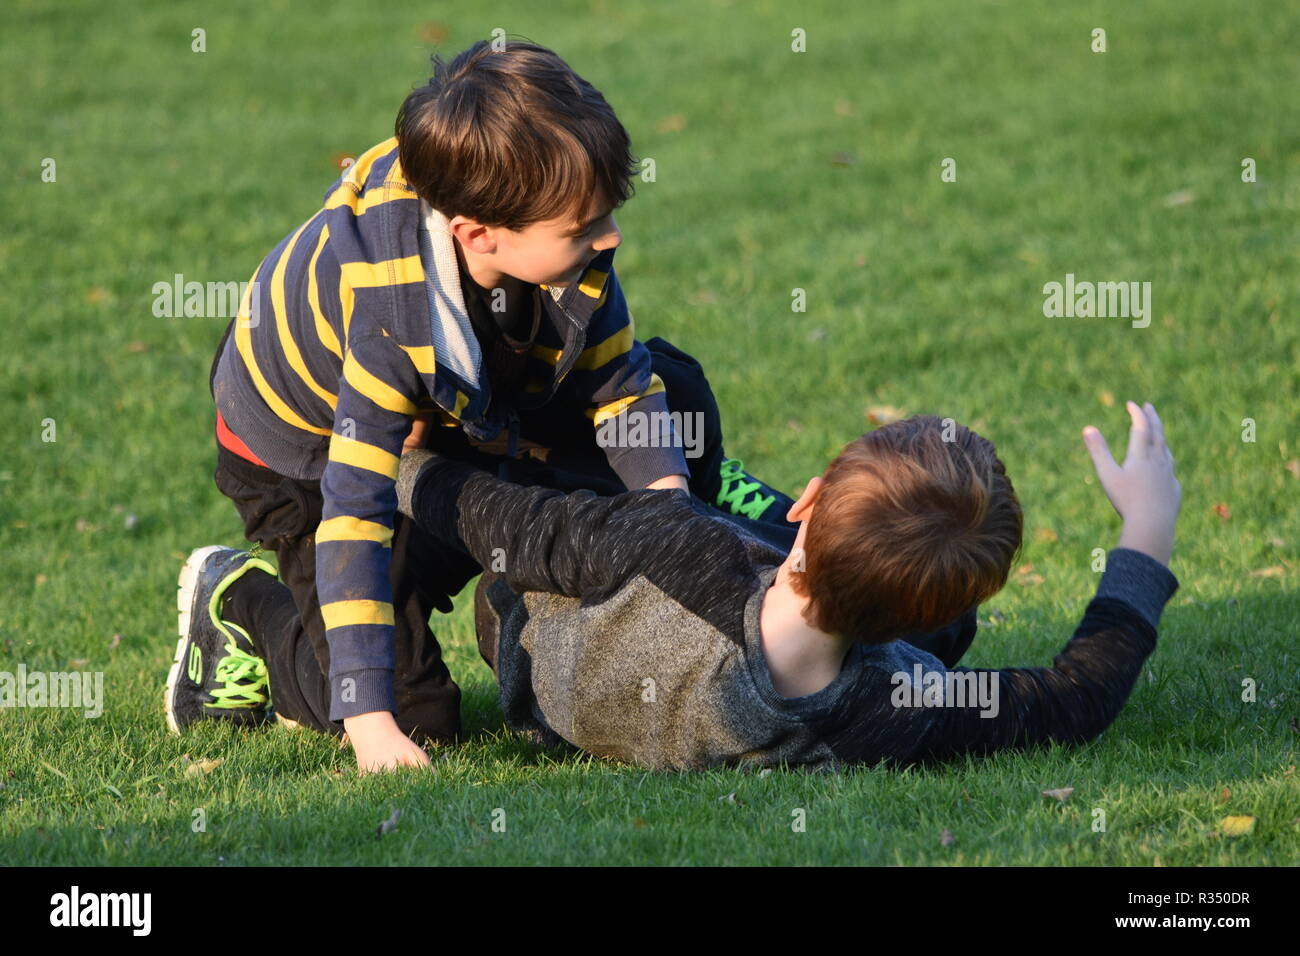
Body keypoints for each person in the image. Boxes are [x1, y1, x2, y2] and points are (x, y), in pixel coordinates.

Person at [164, 39, 795, 773]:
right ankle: (242, 606)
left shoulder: (543, 234)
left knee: (672, 398)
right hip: (303, 464)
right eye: (584, 228)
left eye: (607, 215)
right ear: (478, 233)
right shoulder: (387, 319)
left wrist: (673, 526)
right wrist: (371, 729)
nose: (611, 237)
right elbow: (354, 515)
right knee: (415, 715)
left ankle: (482, 562)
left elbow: (622, 388)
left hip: (442, 410)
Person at [393, 402, 1182, 770]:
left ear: (810, 497)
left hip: (526, 643)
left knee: (670, 380)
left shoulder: (676, 544)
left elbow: (500, 521)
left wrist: (409, 457)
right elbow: (1077, 698)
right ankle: (755, 513)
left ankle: (738, 499)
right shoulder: (896, 708)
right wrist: (1146, 529)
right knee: (943, 628)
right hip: (568, 705)